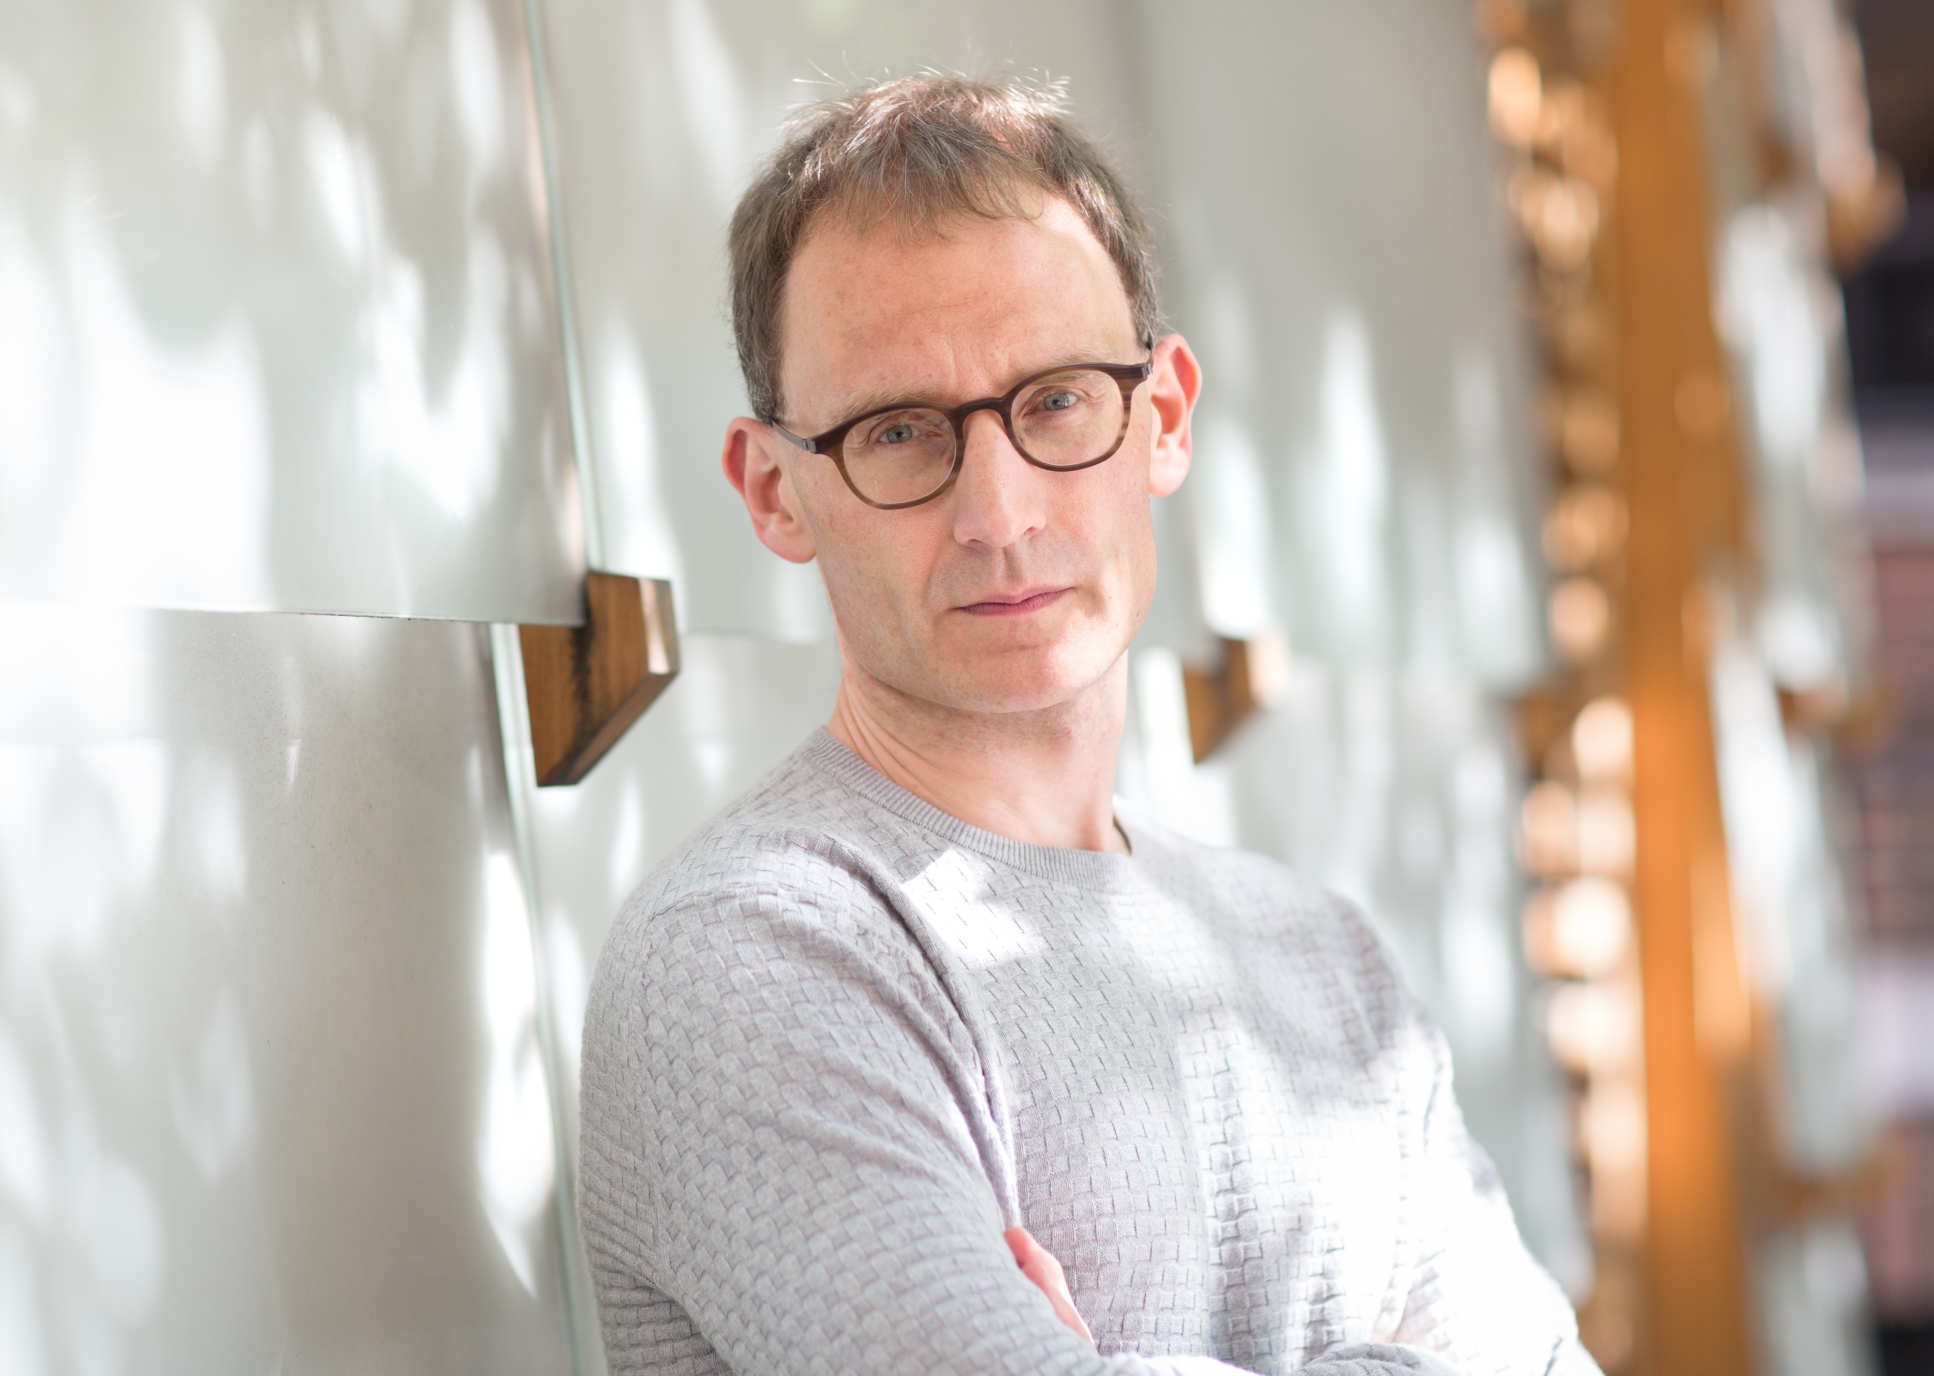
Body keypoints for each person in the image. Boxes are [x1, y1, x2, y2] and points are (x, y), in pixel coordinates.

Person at [577, 73, 1602, 1376]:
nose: (999, 515)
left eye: (1057, 399)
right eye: (900, 432)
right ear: (775, 492)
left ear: (1160, 417)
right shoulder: (748, 959)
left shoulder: (1321, 957)